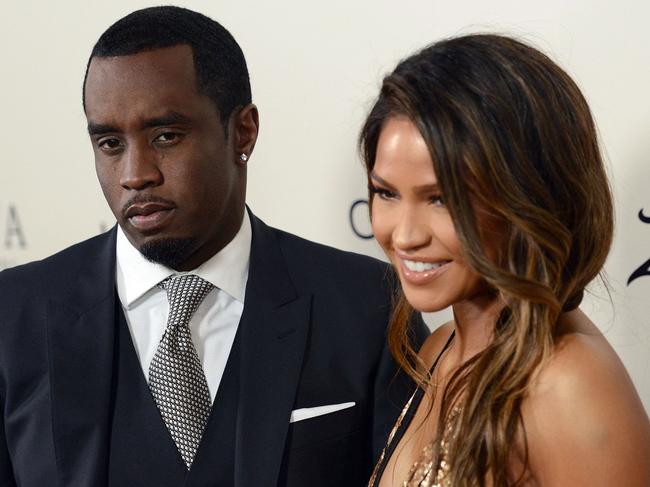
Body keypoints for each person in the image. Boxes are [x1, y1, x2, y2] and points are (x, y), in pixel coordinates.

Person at [0, 6, 428, 487]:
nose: (135, 174)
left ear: (243, 131)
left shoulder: (368, 306)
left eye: (166, 135)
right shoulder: (13, 315)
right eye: (110, 144)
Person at [360, 34, 650, 486]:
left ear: (527, 196)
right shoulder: (438, 349)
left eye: (442, 199)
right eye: (386, 193)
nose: (405, 235)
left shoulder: (569, 385)